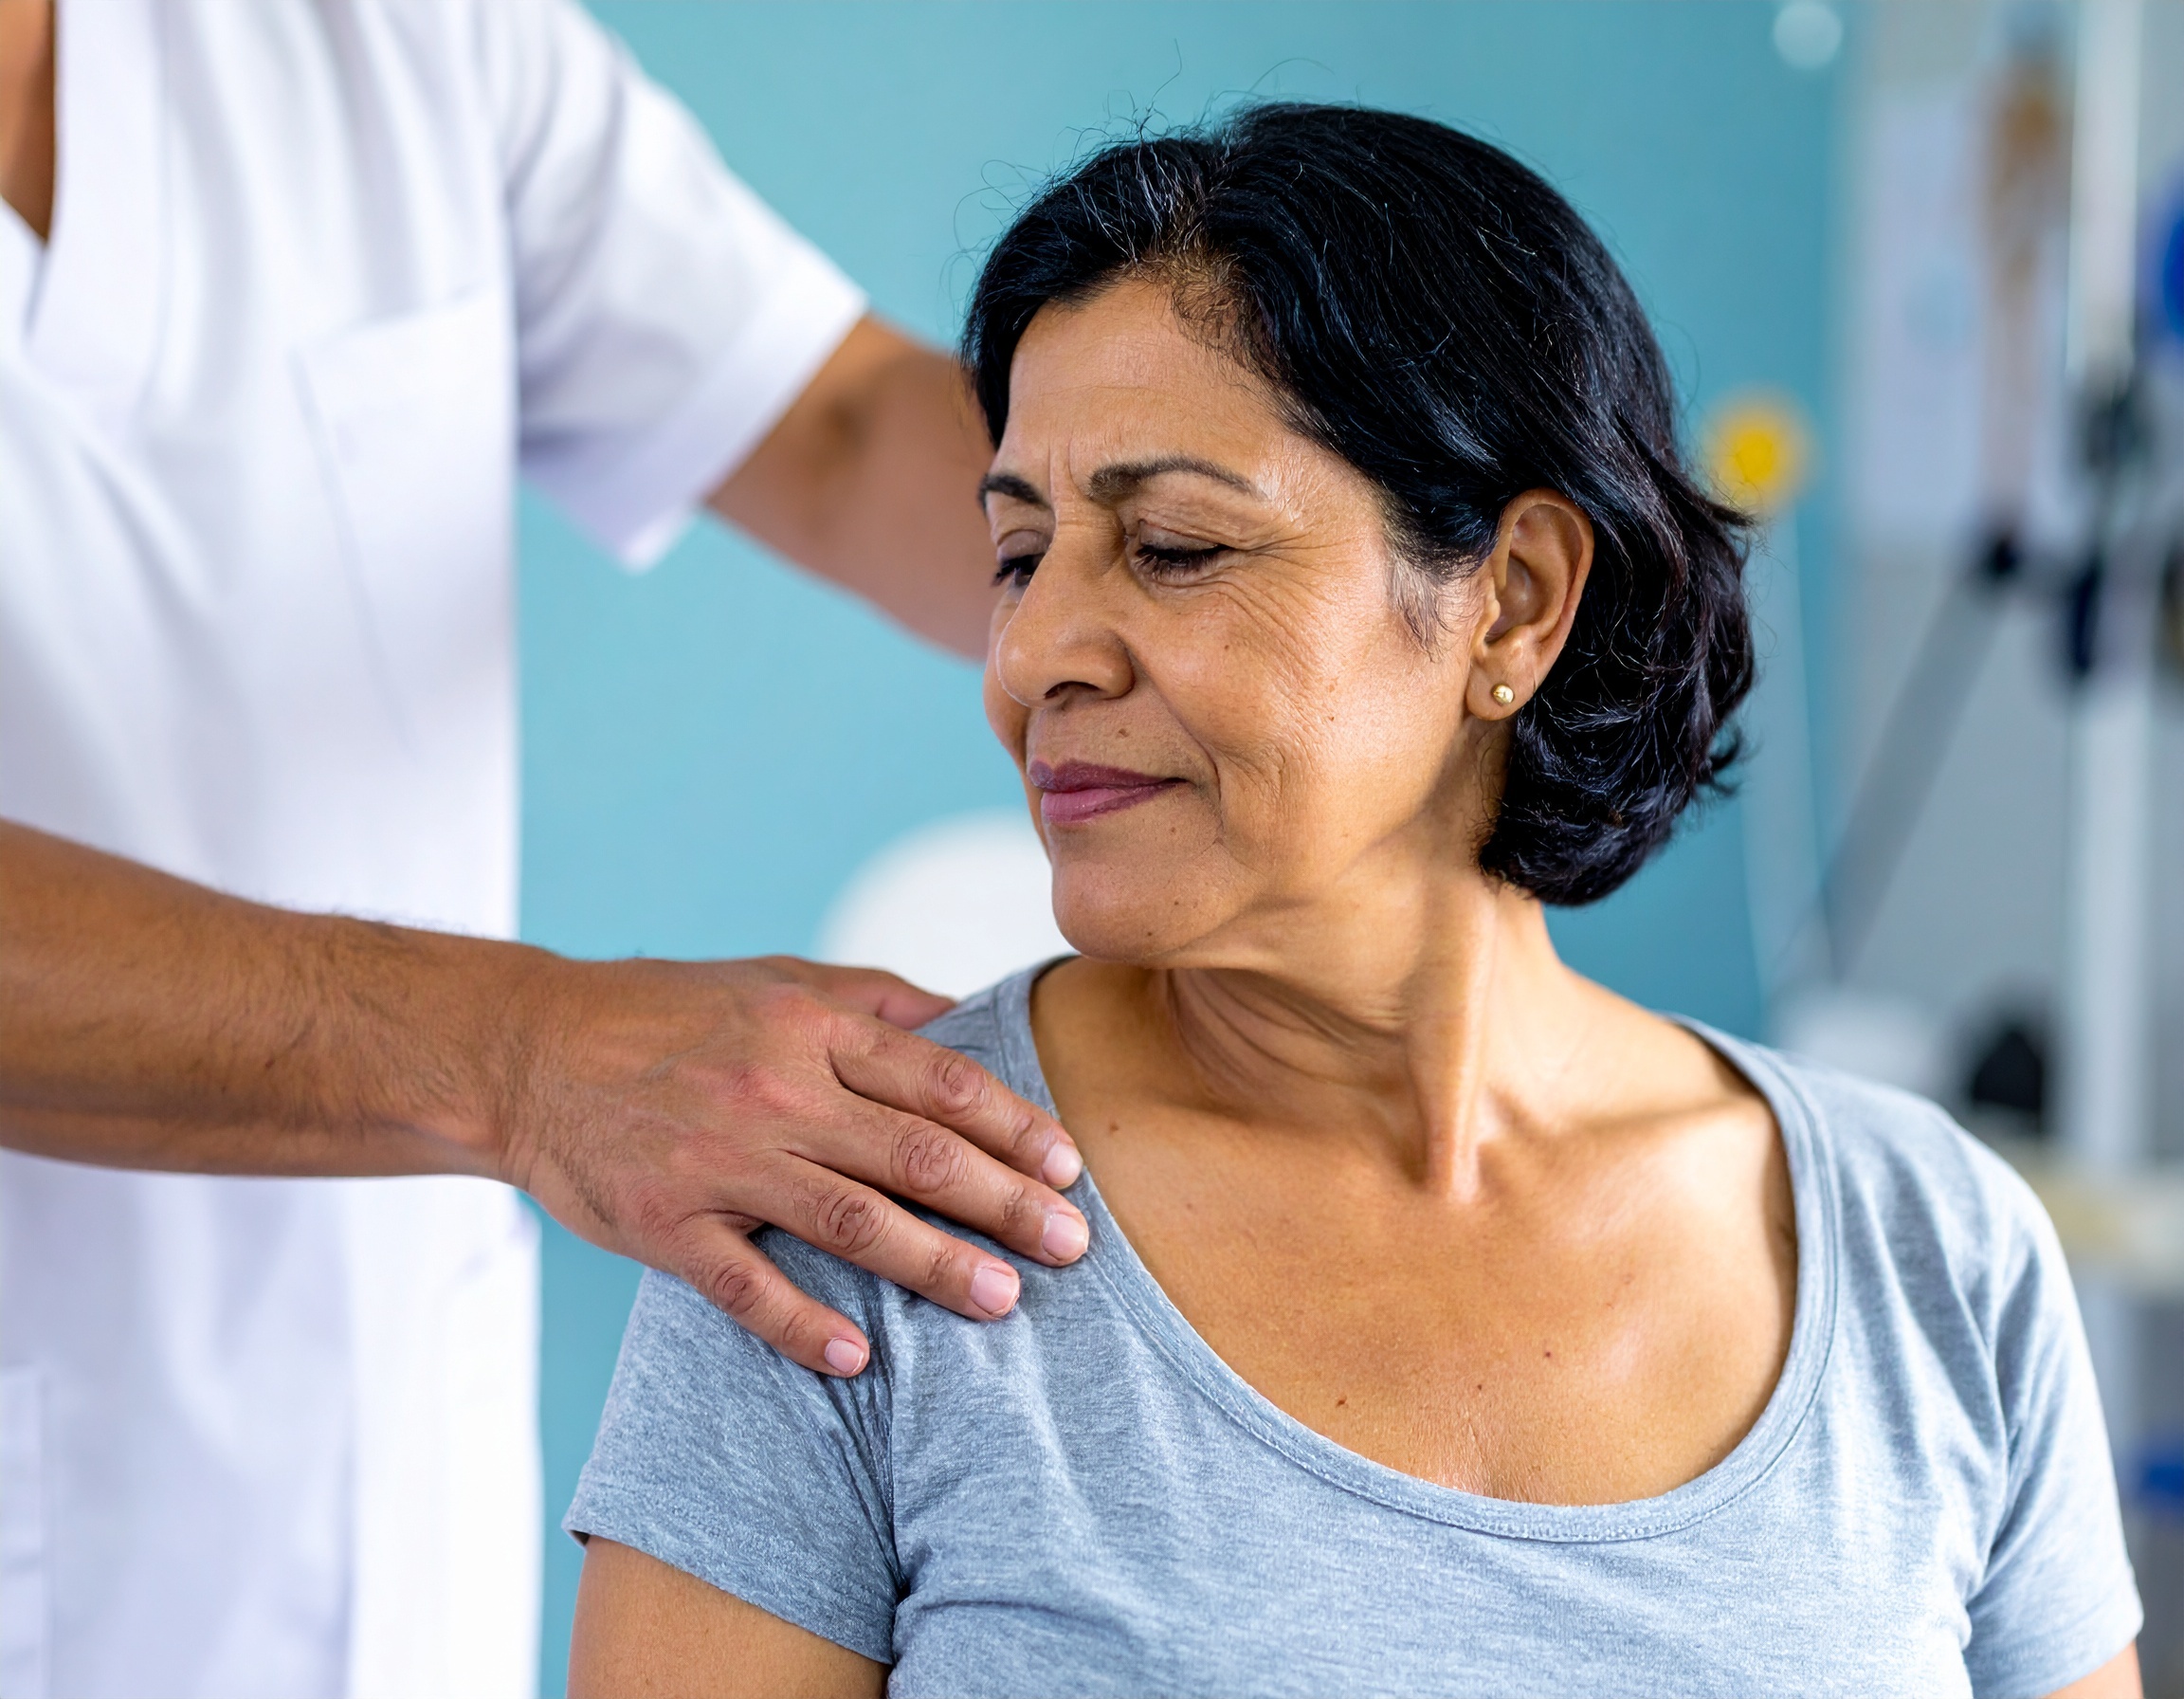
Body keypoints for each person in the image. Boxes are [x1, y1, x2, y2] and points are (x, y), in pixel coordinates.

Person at [565, 104, 2143, 1698]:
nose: (1032, 658)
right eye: (1020, 556)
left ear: (1513, 602)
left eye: (1175, 546)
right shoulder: (854, 1225)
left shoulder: (1936, 1254)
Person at [0, 1, 1093, 1694]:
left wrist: (1182, 581)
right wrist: (524, 1058)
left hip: (390, 1504)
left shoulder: (405, 40)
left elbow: (827, 423)